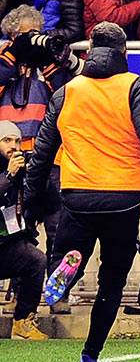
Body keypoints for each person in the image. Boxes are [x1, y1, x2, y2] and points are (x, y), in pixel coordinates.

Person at [24, 22, 140, 362]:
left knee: (69, 251)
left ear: (91, 49)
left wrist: (32, 197)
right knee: (112, 280)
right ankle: (91, 352)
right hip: (122, 197)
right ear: (124, 52)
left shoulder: (67, 91)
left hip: (77, 193)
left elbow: (43, 150)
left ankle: (69, 269)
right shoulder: (133, 86)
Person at [0, 5, 83, 314]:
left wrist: (48, 60)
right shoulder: (4, 63)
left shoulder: (48, 65)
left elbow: (68, 92)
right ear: (11, 36)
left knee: (58, 227)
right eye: (25, 35)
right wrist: (14, 54)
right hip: (11, 162)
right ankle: (21, 298)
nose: (32, 40)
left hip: (50, 160)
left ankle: (58, 292)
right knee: (18, 230)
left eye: (36, 33)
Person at [0, 121, 48, 341]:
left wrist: (35, 175)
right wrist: (8, 177)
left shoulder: (19, 168)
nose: (14, 146)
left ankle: (22, 323)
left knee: (35, 260)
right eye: (7, 140)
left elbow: (33, 205)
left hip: (5, 244)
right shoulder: (9, 172)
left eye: (17, 141)